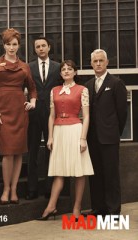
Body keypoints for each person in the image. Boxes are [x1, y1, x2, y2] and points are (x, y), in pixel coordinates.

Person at [37, 60, 94, 220]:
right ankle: (51, 206)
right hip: (58, 131)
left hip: (75, 130)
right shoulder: (54, 90)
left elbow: (87, 116)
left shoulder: (82, 90)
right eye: (63, 69)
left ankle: (77, 208)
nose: (67, 71)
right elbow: (51, 115)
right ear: (60, 73)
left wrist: (83, 138)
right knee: (59, 172)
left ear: (75, 72)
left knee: (79, 172)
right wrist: (50, 136)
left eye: (70, 69)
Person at [0, 28, 37, 204]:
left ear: (19, 45)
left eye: (14, 44)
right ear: (3, 45)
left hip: (19, 111)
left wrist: (32, 102)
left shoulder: (25, 66)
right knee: (7, 153)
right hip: (2, 111)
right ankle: (5, 189)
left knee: (18, 153)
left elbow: (32, 88)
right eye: (8, 44)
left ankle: (14, 189)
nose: (11, 47)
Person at [84, 49, 127, 216]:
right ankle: (98, 208)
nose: (98, 64)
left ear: (107, 62)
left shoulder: (116, 83)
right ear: (91, 64)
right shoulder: (87, 85)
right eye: (95, 61)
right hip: (92, 138)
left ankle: (113, 210)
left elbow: (122, 112)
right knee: (95, 175)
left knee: (111, 175)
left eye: (101, 60)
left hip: (109, 137)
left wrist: (114, 132)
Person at [26, 37, 61, 200]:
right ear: (35, 49)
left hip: (52, 112)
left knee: (50, 150)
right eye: (37, 46)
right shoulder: (28, 67)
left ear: (49, 47)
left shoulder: (57, 67)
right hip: (33, 113)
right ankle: (32, 189)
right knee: (32, 151)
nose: (40, 49)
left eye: (43, 46)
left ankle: (49, 188)